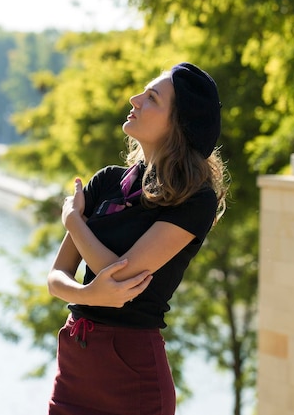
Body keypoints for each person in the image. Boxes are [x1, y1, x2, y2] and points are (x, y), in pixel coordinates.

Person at [46, 62, 228, 415]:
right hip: (75, 363)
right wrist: (86, 294)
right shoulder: (106, 182)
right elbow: (56, 278)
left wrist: (73, 220)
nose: (135, 98)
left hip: (130, 373)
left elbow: (123, 276)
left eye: (152, 98)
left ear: (178, 123)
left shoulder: (194, 199)